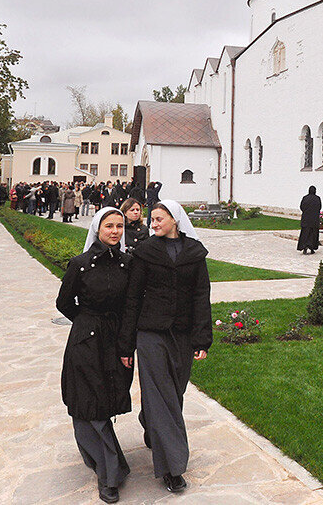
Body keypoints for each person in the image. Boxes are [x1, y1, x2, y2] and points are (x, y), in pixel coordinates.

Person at [119, 200, 212, 494]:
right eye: (152, 219)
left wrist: (202, 338)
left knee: (174, 393)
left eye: (159, 219)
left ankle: (151, 421)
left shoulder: (195, 254)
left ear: (175, 220)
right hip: (151, 334)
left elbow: (201, 296)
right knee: (162, 397)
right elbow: (132, 298)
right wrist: (126, 344)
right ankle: (172, 468)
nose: (154, 223)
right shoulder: (145, 253)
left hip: (182, 335)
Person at [56, 206, 135, 504]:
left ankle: (98, 458)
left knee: (103, 401)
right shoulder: (80, 264)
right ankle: (109, 474)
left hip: (116, 340)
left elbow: (131, 308)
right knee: (88, 403)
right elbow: (63, 302)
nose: (114, 231)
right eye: (109, 226)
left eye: (119, 226)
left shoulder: (128, 264)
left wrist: (126, 344)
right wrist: (87, 321)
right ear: (97, 229)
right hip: (86, 342)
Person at [298, 185, 321, 254]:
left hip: (306, 218)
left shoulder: (305, 198)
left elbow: (301, 207)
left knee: (305, 233)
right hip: (314, 219)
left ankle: (304, 246)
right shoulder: (317, 198)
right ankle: (312, 247)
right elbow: (319, 207)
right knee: (313, 234)